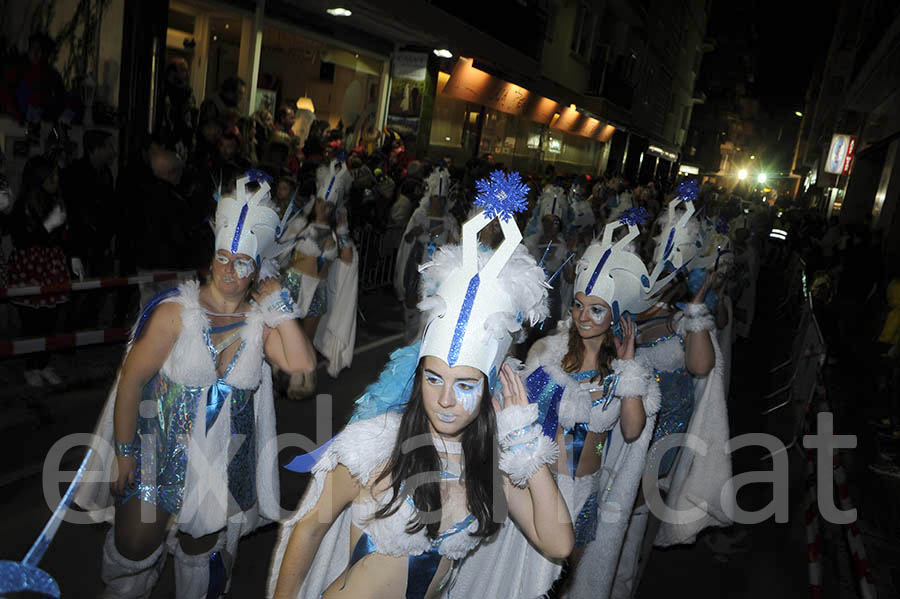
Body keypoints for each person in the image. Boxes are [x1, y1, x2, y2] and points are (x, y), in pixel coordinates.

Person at [268, 171, 574, 599]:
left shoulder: (491, 464)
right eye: (434, 379)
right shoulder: (373, 444)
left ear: (490, 386)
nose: (445, 400)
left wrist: (526, 444)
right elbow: (308, 529)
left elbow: (558, 543)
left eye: (465, 384)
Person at [74, 173, 316, 598]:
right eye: (222, 257)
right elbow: (130, 381)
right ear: (211, 258)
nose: (229, 270)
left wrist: (278, 306)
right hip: (156, 455)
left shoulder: (261, 325)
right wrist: (125, 453)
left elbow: (301, 363)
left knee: (199, 558)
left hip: (220, 463)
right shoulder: (174, 313)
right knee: (133, 549)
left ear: (257, 268)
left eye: (242, 262)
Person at [458, 209, 662, 598]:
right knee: (521, 581)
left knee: (566, 584)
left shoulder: (626, 371)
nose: (584, 316)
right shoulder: (547, 351)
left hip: (585, 491)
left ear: (614, 314)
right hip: (538, 484)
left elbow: (633, 431)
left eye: (596, 309)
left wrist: (630, 365)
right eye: (579, 305)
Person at [612, 185, 732, 596]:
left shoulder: (689, 319)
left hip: (656, 440)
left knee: (630, 527)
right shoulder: (626, 303)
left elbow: (701, 365)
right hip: (612, 430)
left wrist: (696, 305)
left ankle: (622, 585)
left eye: (672, 268)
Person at [6, 155, 71, 387]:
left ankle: (43, 363)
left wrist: (72, 256)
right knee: (32, 322)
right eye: (51, 175)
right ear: (38, 177)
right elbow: (21, 240)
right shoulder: (24, 204)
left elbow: (62, 236)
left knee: (49, 320)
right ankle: (31, 366)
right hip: (31, 267)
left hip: (51, 265)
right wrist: (46, 227)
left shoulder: (57, 200)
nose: (55, 179)